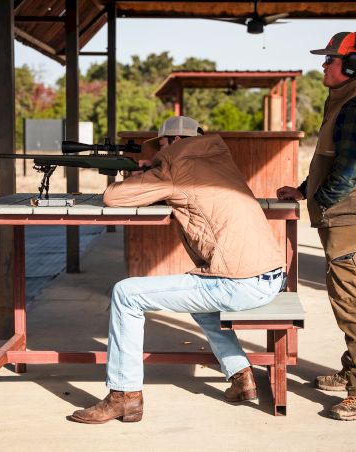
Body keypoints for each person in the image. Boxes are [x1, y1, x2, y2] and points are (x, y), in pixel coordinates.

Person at [70, 115, 286, 424]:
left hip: (239, 283)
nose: (160, 149)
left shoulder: (175, 164)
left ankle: (124, 396)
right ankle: (241, 375)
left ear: (171, 142)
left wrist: (152, 172)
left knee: (126, 294)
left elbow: (113, 197)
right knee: (199, 301)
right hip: (270, 277)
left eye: (161, 143)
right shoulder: (219, 159)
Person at [277, 30, 356, 421]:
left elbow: (349, 171)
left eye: (329, 59)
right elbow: (336, 160)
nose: (323, 65)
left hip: (355, 218)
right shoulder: (349, 98)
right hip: (350, 216)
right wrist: (302, 190)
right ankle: (353, 372)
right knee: (350, 297)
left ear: (350, 66)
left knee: (352, 302)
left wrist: (320, 199)